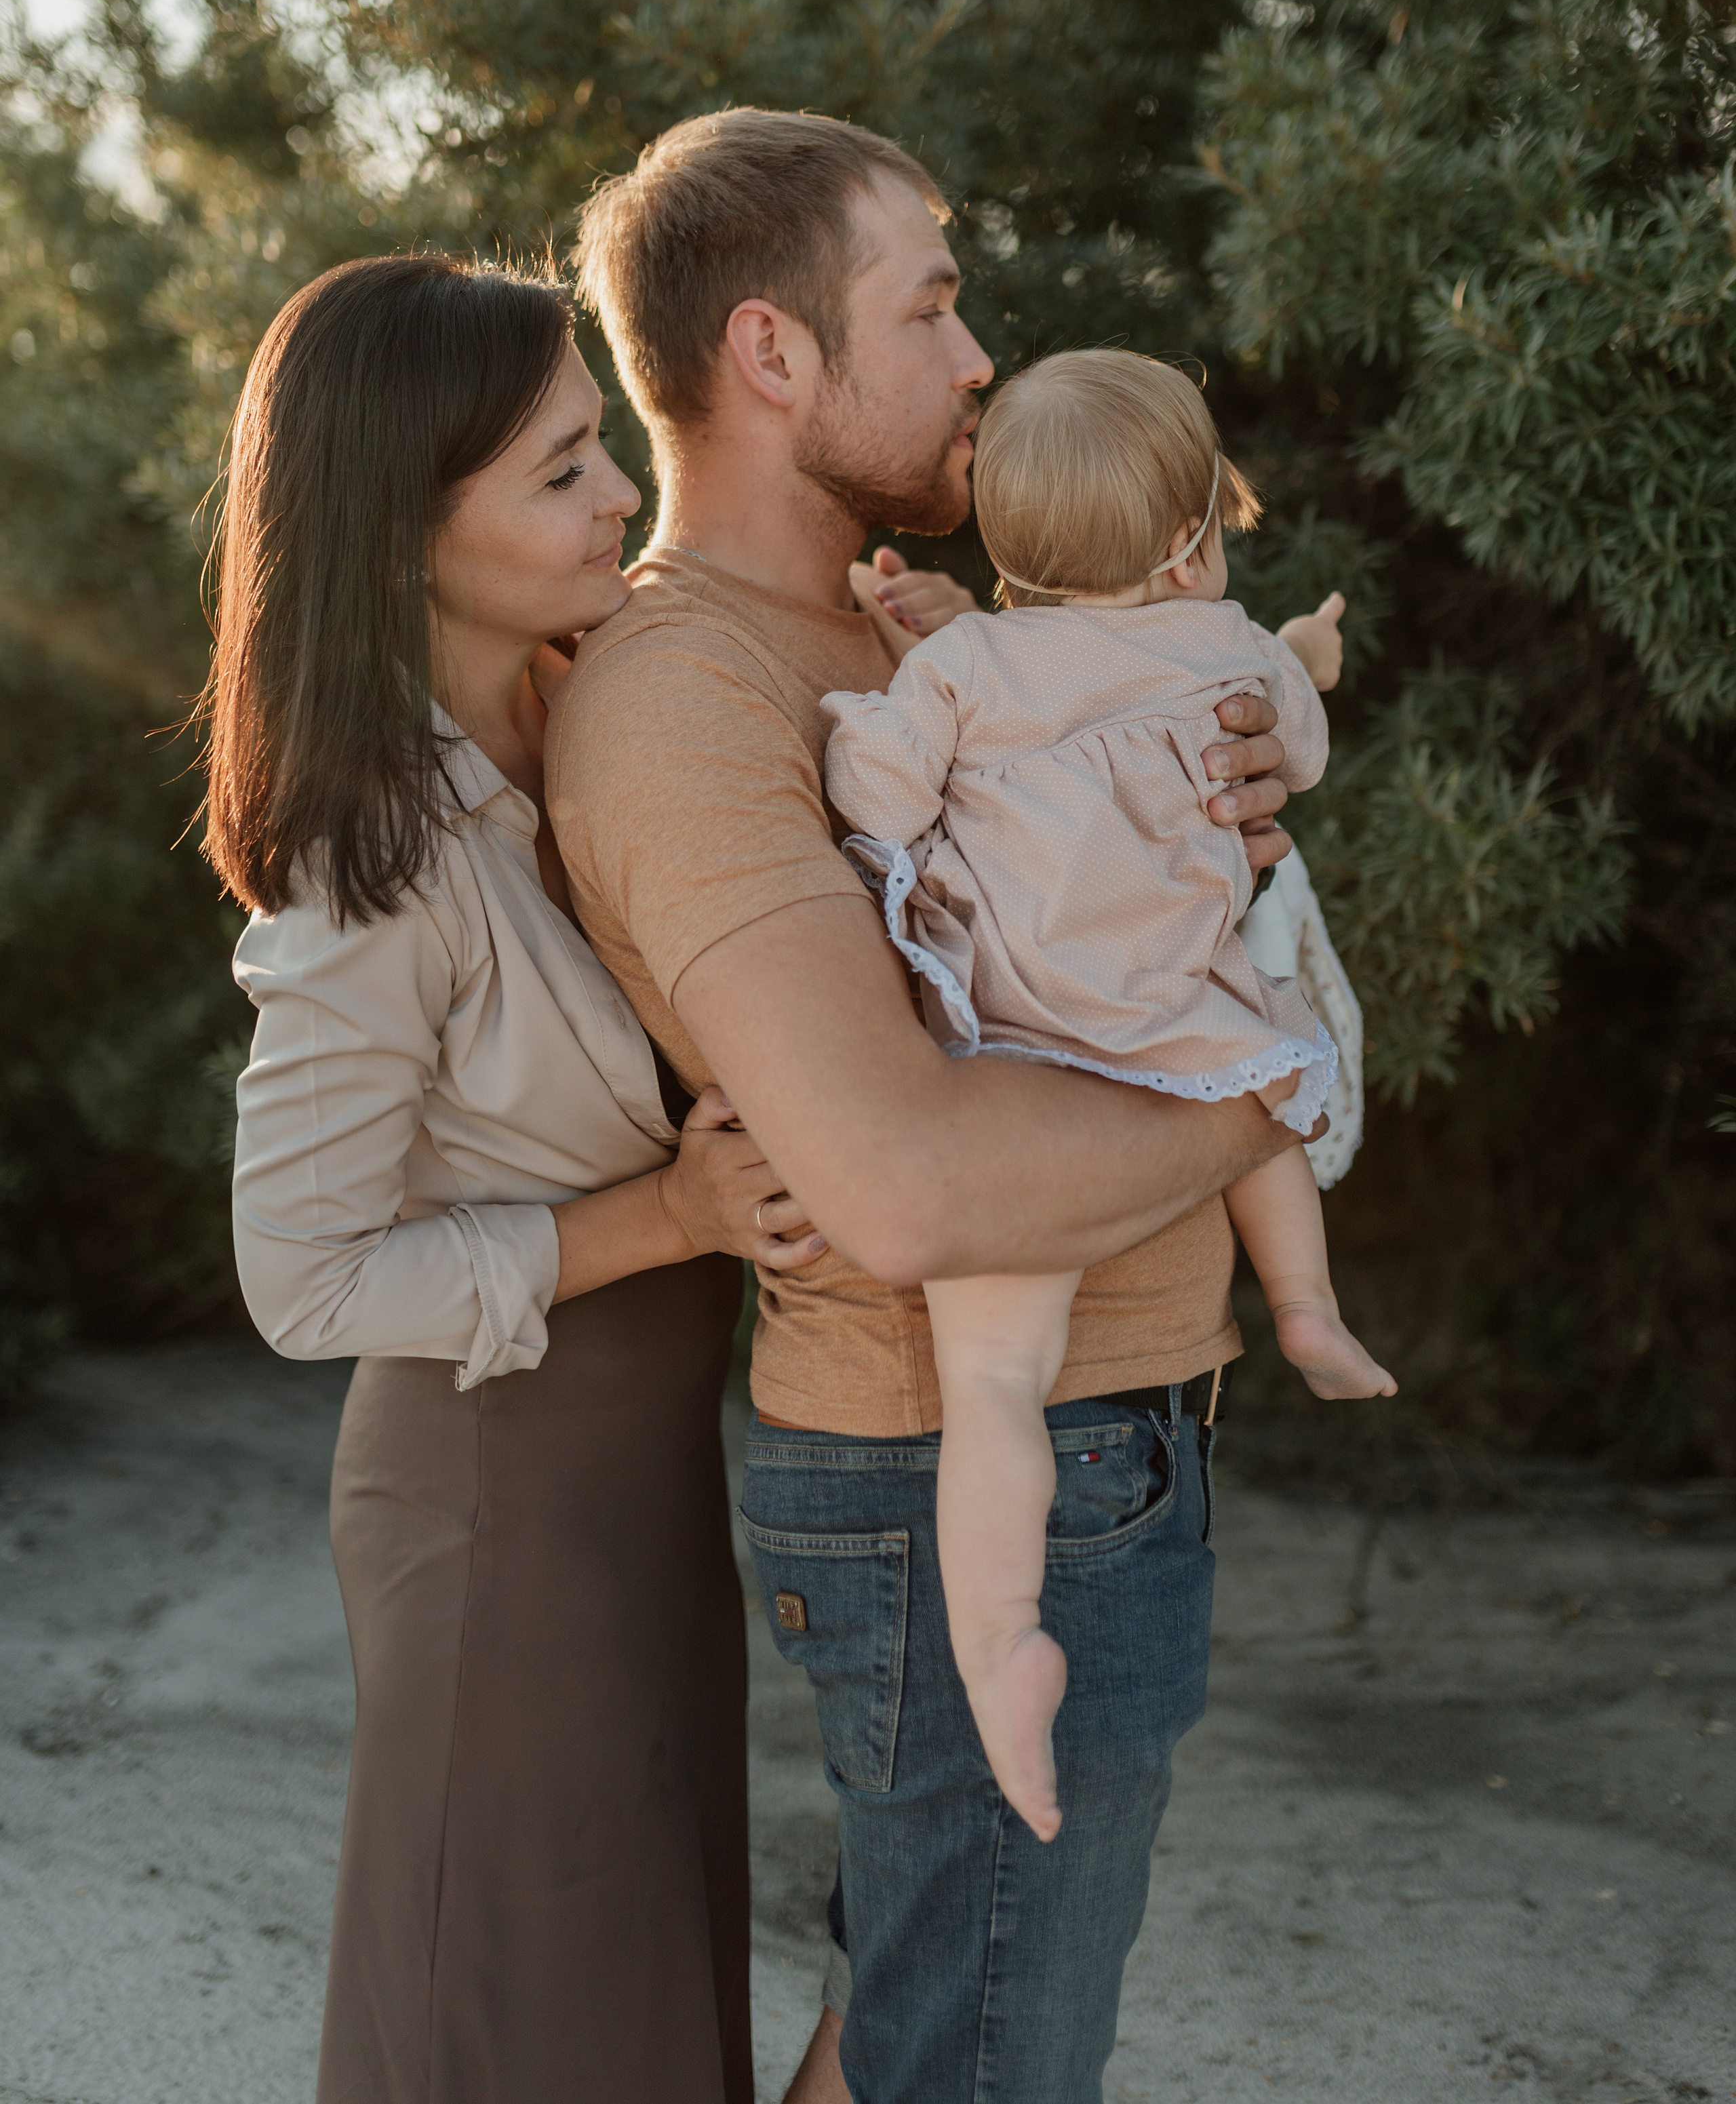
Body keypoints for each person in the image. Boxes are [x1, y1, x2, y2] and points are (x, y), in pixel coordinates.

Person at [547, 108, 1315, 2104]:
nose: (983, 357)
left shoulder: (928, 634)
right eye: (935, 300)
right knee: (974, 2057)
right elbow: (896, 1183)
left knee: (915, 2026)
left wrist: (1229, 830)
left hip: (1084, 1444)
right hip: (964, 1464)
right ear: (772, 354)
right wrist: (1283, 1075)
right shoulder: (683, 695)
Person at [205, 252, 833, 2104]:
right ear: (407, 524)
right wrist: (665, 1218)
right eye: (564, 469)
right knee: (531, 2024)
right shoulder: (368, 857)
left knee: (634, 2000)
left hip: (637, 1487)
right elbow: (298, 1279)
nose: (623, 492)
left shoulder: (598, 709)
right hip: (494, 1505)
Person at [821, 345, 1397, 1844]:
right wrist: (1311, 650)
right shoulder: (1228, 653)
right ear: (1191, 540)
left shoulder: (960, 666)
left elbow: (873, 803)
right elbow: (1308, 733)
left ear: (999, 546)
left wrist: (863, 708)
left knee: (995, 1390)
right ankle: (1308, 1310)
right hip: (1176, 1018)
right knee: (1269, 1067)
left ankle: (1000, 1645)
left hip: (1015, 1058)